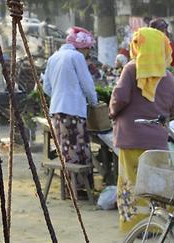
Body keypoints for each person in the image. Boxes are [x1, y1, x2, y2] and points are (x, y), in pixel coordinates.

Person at [110, 27, 174, 229]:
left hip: (131, 138)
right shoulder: (168, 77)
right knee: (155, 184)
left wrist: (113, 113)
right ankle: (156, 226)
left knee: (131, 182)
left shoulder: (131, 69)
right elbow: (173, 108)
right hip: (157, 141)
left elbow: (119, 98)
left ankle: (134, 227)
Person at [42, 26, 99, 200]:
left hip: (57, 110)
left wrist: (60, 96)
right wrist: (94, 102)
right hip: (73, 110)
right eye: (88, 48)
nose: (88, 52)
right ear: (83, 47)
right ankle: (78, 190)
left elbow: (47, 87)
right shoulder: (76, 57)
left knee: (65, 149)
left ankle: (71, 188)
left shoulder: (54, 58)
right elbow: (87, 84)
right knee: (77, 148)